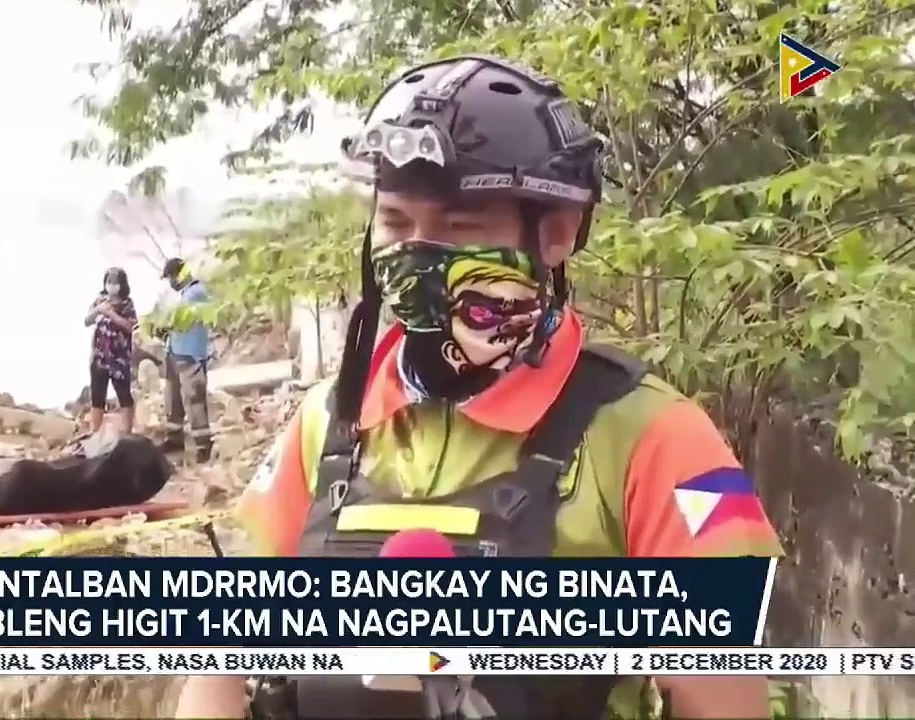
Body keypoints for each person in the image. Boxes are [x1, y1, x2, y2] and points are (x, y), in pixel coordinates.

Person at [176, 55, 783, 720]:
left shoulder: (667, 441)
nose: (418, 256)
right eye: (397, 225)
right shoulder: (326, 422)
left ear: (555, 234)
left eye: (460, 229)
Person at [160, 257, 213, 462]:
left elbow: (181, 320)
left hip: (191, 354)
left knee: (194, 399)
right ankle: (174, 438)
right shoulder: (184, 294)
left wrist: (165, 324)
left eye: (171, 277)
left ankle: (203, 445)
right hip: (175, 351)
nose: (170, 282)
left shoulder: (195, 293)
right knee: (173, 399)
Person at [84, 267, 139, 434]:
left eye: (115, 282)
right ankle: (95, 432)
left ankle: (127, 432)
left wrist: (112, 315)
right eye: (109, 282)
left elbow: (132, 326)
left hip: (119, 358)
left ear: (122, 284)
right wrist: (99, 310)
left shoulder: (127, 304)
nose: (111, 285)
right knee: (97, 397)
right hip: (99, 357)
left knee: (124, 396)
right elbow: (87, 321)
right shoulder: (99, 301)